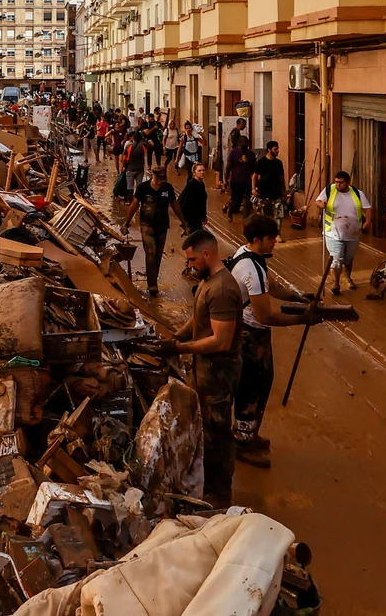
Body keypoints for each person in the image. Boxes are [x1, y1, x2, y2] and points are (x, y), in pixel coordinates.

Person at [225, 215, 325, 467]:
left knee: (264, 381)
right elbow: (266, 315)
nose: (275, 242)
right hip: (250, 335)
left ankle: (250, 433)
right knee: (252, 386)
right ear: (257, 239)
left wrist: (298, 296)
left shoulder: (251, 257)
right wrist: (303, 319)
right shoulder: (250, 269)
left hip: (254, 331)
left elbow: (271, 286)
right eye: (271, 238)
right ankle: (242, 440)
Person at [161, 230, 244, 506]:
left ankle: (220, 493)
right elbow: (198, 322)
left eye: (193, 259)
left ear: (207, 254)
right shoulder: (209, 282)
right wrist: (175, 338)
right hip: (205, 370)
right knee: (205, 429)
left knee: (217, 433)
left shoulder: (222, 289)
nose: (190, 265)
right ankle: (207, 484)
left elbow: (221, 341)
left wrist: (180, 349)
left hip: (219, 372)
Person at [310, 170, 369, 290]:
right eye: (336, 182)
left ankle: (347, 277)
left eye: (341, 182)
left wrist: (368, 221)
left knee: (348, 259)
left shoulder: (357, 193)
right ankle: (335, 283)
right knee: (337, 258)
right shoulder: (329, 190)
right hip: (333, 232)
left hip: (352, 233)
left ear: (348, 182)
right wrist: (321, 205)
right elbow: (318, 201)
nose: (338, 185)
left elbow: (368, 208)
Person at [128, 172, 179, 294]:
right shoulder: (143, 187)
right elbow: (134, 204)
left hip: (162, 226)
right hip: (147, 225)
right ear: (152, 176)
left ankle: (153, 280)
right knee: (150, 253)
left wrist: (184, 222)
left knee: (157, 256)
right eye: (158, 179)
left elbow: (175, 205)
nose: (161, 182)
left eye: (163, 179)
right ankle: (152, 285)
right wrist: (126, 222)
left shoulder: (168, 188)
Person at [223, 138, 257, 219]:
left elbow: (254, 170)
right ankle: (230, 209)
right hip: (235, 181)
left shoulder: (251, 154)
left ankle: (246, 220)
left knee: (247, 201)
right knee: (235, 201)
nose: (245, 144)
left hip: (247, 181)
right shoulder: (233, 153)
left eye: (246, 143)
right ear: (239, 143)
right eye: (243, 142)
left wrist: (254, 183)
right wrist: (226, 180)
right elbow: (228, 167)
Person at [254, 141, 287, 221]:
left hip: (277, 194)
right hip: (264, 194)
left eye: (278, 149)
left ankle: (277, 233)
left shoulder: (278, 163)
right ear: (269, 150)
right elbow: (254, 176)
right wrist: (253, 189)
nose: (277, 151)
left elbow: (282, 177)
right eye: (275, 149)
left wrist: (284, 191)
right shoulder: (261, 162)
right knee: (263, 217)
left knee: (278, 217)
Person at [179, 163, 210, 237]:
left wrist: (204, 216)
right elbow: (184, 203)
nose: (202, 172)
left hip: (198, 218)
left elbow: (202, 202)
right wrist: (186, 221)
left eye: (203, 170)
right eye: (199, 171)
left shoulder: (201, 183)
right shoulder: (192, 184)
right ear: (194, 173)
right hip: (192, 219)